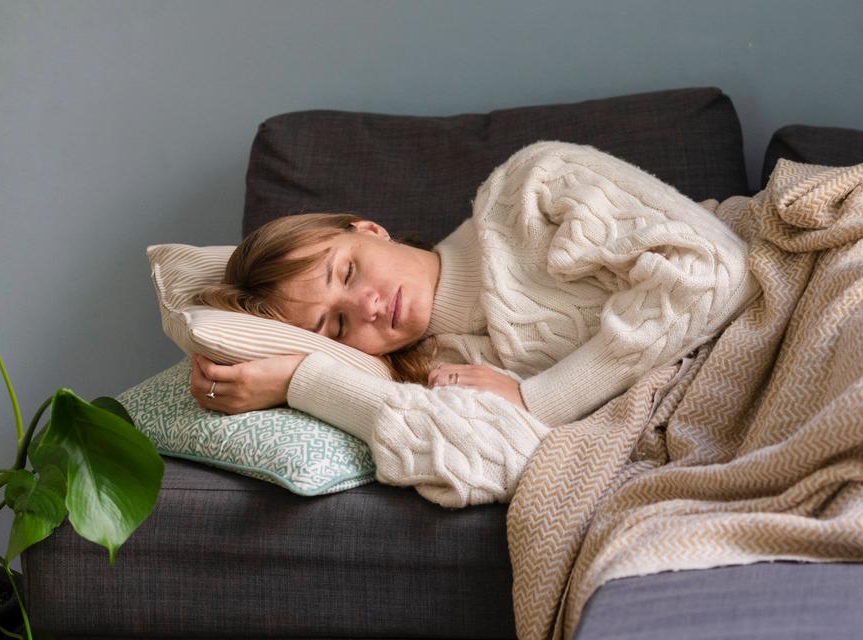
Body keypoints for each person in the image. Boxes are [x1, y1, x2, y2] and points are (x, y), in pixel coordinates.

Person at [188, 140, 759, 506]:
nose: (366, 306)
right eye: (336, 327)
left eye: (348, 271)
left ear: (369, 229)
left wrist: (538, 399)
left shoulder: (529, 188)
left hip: (774, 298)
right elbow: (494, 466)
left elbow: (713, 269)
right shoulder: (434, 373)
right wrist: (304, 381)